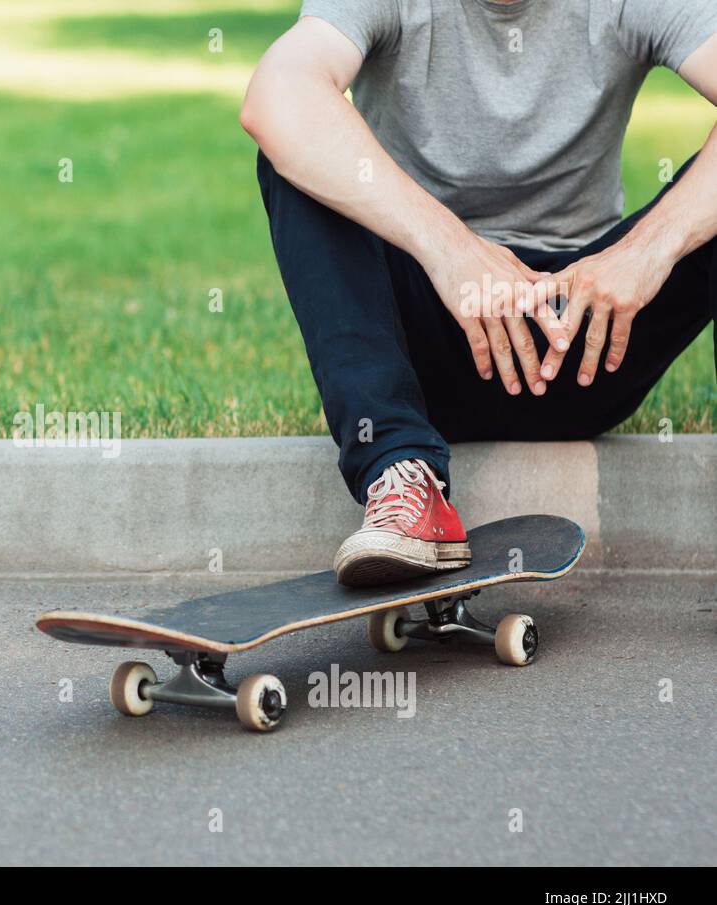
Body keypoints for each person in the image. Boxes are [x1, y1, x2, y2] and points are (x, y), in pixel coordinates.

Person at [240, 0, 717, 586]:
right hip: (427, 348)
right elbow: (278, 94)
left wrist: (648, 250)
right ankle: (402, 479)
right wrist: (452, 249)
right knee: (296, 157)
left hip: (588, 340)